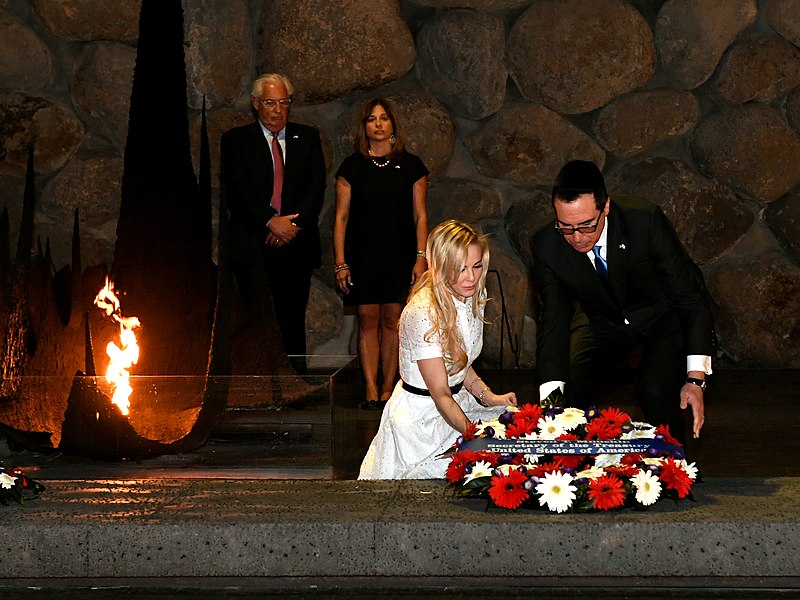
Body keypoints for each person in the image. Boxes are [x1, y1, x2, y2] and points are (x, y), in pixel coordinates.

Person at [532, 159, 715, 443]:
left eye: (586, 225)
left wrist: (695, 380)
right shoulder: (547, 245)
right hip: (602, 318)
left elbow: (690, 296)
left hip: (660, 316)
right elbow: (554, 320)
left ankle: (673, 467)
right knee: (565, 383)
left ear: (605, 207)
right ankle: (567, 465)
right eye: (565, 227)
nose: (577, 238)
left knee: (654, 388)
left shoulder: (644, 220)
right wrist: (550, 407)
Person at [358, 220, 518, 480]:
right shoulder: (424, 312)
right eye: (460, 268)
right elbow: (441, 392)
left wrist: (489, 397)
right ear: (440, 267)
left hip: (454, 406)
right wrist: (474, 438)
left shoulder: (473, 292)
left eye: (477, 266)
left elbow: (459, 363)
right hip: (420, 421)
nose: (471, 277)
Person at [220, 73, 326, 373]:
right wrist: (270, 222)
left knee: (292, 316)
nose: (278, 110)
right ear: (256, 104)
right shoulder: (236, 141)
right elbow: (237, 191)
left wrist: (290, 227)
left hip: (296, 244)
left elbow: (315, 188)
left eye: (284, 102)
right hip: (252, 245)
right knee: (254, 317)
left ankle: (295, 381)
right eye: (270, 103)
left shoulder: (307, 138)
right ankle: (258, 385)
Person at [334, 98, 428, 409]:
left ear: (393, 124)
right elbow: (341, 217)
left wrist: (420, 257)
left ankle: (389, 388)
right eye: (372, 119)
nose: (378, 123)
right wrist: (340, 262)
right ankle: (370, 388)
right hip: (362, 253)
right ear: (364, 127)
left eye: (384, 118)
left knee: (393, 319)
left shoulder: (412, 165)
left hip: (399, 253)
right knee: (366, 318)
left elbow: (420, 215)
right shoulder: (351, 166)